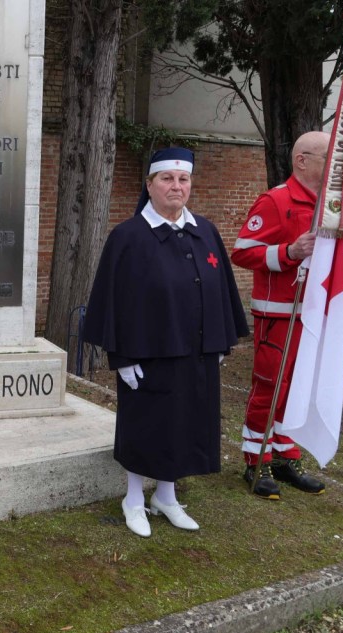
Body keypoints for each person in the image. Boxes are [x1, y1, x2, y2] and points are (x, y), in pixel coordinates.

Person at [83, 147, 249, 538]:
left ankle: (167, 497)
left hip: (196, 352)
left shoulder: (204, 231)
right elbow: (111, 300)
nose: (176, 186)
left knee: (185, 424)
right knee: (147, 426)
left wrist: (220, 341)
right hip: (148, 355)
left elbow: (221, 288)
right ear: (150, 185)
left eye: (183, 179)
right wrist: (120, 356)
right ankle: (135, 499)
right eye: (167, 179)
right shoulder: (128, 237)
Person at [231, 131, 330, 500]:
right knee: (269, 389)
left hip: (313, 316)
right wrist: (288, 252)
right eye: (326, 158)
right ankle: (255, 461)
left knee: (297, 391)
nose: (333, 166)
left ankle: (285, 456)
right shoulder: (276, 200)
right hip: (278, 316)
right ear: (302, 160)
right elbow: (241, 252)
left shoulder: (327, 204)